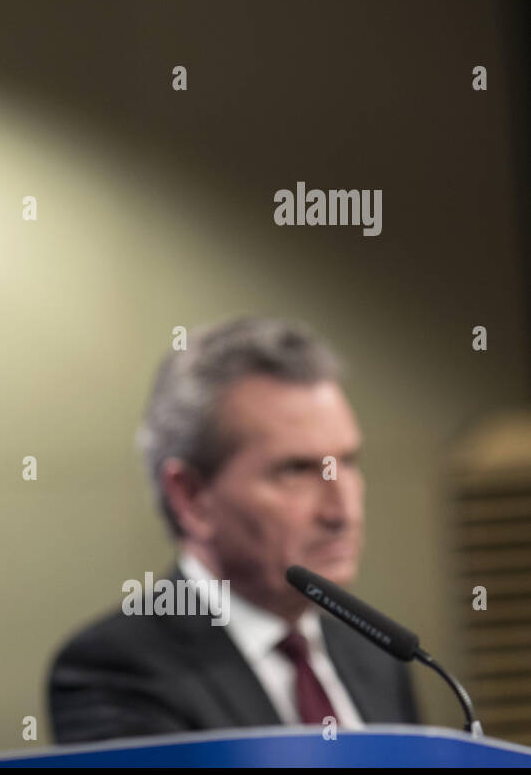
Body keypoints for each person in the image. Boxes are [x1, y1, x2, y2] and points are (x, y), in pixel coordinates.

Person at [49, 317, 417, 743]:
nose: (342, 511)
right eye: (295, 470)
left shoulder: (378, 653)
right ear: (191, 497)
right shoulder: (113, 671)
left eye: (347, 463)